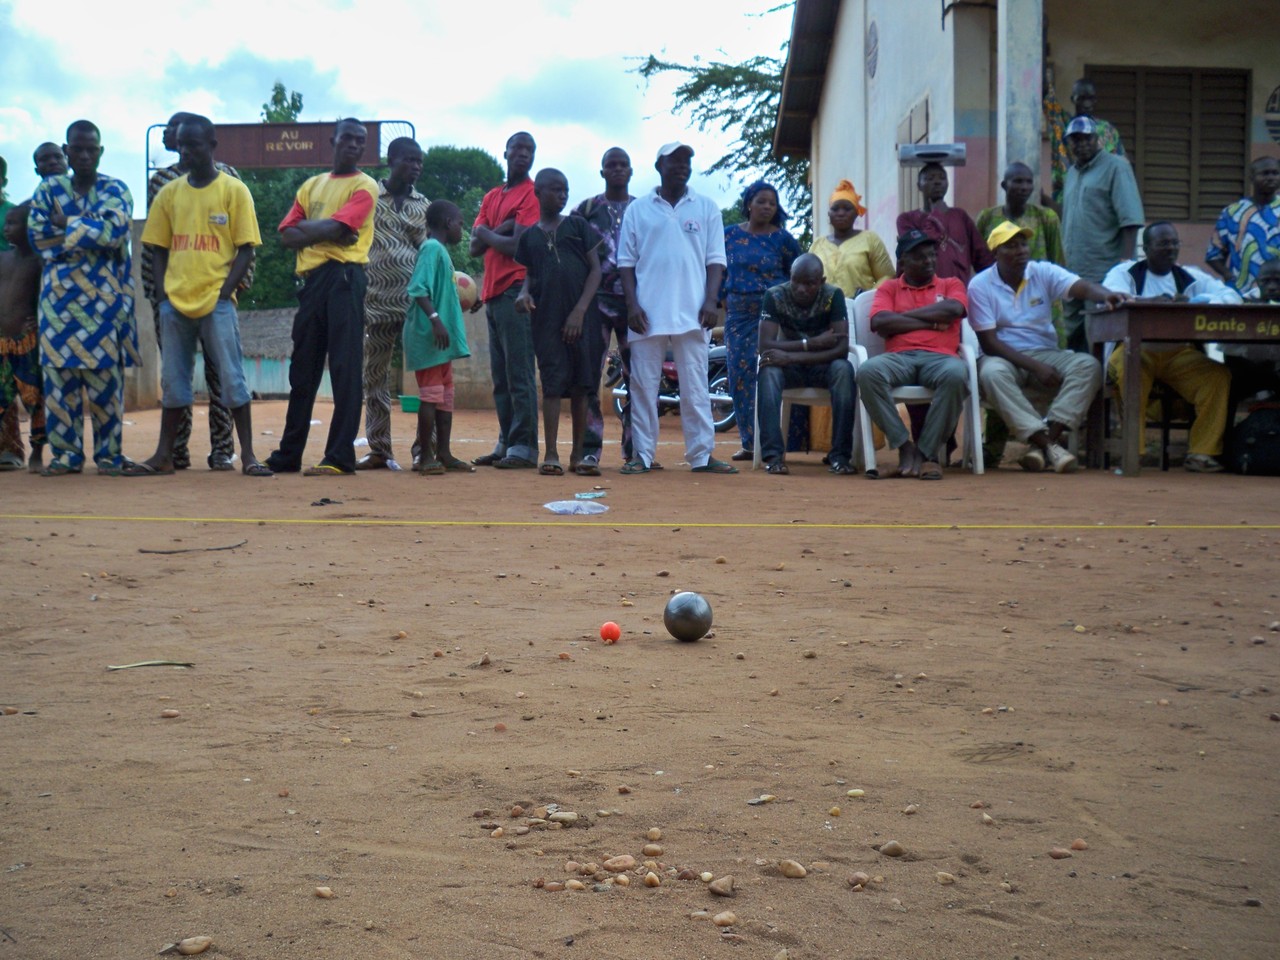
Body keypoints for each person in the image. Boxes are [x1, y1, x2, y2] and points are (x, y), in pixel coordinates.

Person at [125, 115, 269, 478]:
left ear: (212, 146)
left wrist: (226, 291)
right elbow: (157, 248)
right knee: (174, 382)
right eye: (182, 145)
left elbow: (246, 248)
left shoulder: (233, 189)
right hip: (175, 304)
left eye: (194, 145)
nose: (186, 151)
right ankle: (165, 455)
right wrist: (162, 297)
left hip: (216, 302)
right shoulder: (168, 192)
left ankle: (248, 455)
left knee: (232, 378)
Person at [265, 118, 378, 477]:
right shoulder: (310, 186)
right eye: (348, 138)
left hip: (345, 277)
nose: (354, 145)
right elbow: (286, 235)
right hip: (312, 282)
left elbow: (335, 227)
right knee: (303, 370)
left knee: (345, 368)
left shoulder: (365, 186)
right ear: (333, 141)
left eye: (360, 141)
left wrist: (315, 230)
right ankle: (289, 455)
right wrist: (330, 231)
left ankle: (339, 456)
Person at [967, 221, 1123, 473]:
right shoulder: (980, 285)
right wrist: (1036, 367)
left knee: (1089, 366)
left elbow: (1082, 286)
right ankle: (1050, 445)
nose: (1021, 251)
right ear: (995, 253)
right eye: (1011, 246)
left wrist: (1106, 295)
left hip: (1045, 352)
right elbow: (990, 343)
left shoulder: (1042, 272)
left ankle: (1042, 445)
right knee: (991, 374)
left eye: (1023, 244)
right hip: (1003, 356)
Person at [28, 120, 138, 476]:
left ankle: (109, 457)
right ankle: (66, 457)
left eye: (92, 149)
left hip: (105, 307)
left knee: (106, 386)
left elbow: (116, 232)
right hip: (58, 307)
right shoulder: (49, 189)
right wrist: (91, 228)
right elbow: (39, 238)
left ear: (101, 151)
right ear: (67, 151)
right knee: (59, 387)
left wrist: (67, 223)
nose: (86, 155)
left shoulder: (116, 189)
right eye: (78, 149)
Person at [617, 141, 733, 475]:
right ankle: (642, 455)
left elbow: (716, 260)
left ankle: (701, 456)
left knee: (696, 386)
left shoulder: (706, 207)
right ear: (659, 166)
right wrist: (632, 305)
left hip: (693, 312)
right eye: (675, 160)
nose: (682, 166)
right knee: (643, 387)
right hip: (646, 313)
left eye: (687, 161)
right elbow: (626, 263)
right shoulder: (638, 209)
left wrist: (711, 301)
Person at [1101, 221, 1238, 473]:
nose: (1171, 248)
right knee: (1130, 370)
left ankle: (1202, 453)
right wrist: (1152, 302)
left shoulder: (1190, 276)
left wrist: (1198, 301)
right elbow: (1113, 297)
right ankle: (1134, 453)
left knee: (1217, 377)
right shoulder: (1125, 272)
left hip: (1178, 354)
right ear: (1146, 248)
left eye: (1175, 243)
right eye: (1163, 243)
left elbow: (1232, 297)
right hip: (1136, 350)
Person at [857, 230, 969, 480]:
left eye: (931, 255)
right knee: (867, 372)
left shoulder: (951, 284)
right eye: (920, 257)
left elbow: (954, 309)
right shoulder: (889, 288)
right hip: (900, 358)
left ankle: (925, 452)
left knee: (956, 374)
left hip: (941, 358)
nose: (929, 261)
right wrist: (933, 321)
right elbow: (880, 322)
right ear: (903, 262)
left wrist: (901, 318)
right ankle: (904, 446)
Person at [514, 169, 602, 476]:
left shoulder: (578, 226)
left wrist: (579, 311)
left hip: (583, 319)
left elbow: (595, 270)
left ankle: (578, 454)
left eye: (565, 190)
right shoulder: (529, 237)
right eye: (555, 190)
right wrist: (523, 293)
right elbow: (531, 274)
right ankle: (550, 453)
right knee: (551, 385)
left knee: (581, 386)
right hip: (547, 319)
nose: (562, 195)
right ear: (538, 193)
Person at [470, 132, 540, 470]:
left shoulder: (532, 194)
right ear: (506, 153)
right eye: (518, 148)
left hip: (516, 290)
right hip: (492, 293)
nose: (523, 154)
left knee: (519, 373)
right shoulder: (491, 196)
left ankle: (524, 447)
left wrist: (487, 232)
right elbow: (473, 246)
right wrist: (501, 228)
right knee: (501, 377)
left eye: (530, 150)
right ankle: (506, 442)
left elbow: (518, 247)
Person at [358, 137, 428, 471]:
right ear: (391, 160)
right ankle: (379, 450)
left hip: (416, 305)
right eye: (409, 160)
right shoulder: (368, 196)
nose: (415, 166)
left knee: (427, 379)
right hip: (374, 303)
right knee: (374, 377)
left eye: (419, 161)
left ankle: (424, 449)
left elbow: (430, 253)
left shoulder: (424, 205)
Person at [721, 180, 802, 460]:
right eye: (762, 201)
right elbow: (717, 269)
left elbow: (799, 274)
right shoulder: (729, 235)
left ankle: (778, 442)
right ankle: (750, 443)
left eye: (772, 203)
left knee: (773, 372)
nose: (768, 207)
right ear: (748, 204)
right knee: (740, 376)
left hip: (775, 316)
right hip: (738, 316)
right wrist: (720, 298)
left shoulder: (783, 239)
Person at [756, 254, 855, 475]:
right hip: (792, 369)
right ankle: (773, 456)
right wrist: (811, 344)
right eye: (796, 281)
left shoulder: (833, 296)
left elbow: (840, 350)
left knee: (843, 370)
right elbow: (765, 346)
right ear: (790, 277)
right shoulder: (775, 296)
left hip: (821, 367)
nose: (801, 289)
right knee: (768, 370)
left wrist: (791, 356)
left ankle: (840, 457)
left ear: (821, 281)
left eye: (809, 283)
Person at [572, 147, 635, 475]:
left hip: (635, 304)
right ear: (602, 172)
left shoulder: (643, 209)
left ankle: (635, 450)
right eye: (611, 165)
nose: (618, 169)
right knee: (589, 376)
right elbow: (570, 251)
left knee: (638, 378)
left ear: (631, 171)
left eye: (623, 164)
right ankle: (588, 451)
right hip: (595, 303)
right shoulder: (585, 210)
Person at [1060, 116, 1144, 353]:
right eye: (1075, 140)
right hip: (1072, 274)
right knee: (1069, 337)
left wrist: (1125, 265)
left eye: (1086, 138)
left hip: (1102, 274)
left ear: (1097, 139)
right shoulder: (1072, 173)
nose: (1081, 144)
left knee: (1098, 339)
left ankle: (1099, 378)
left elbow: (1130, 220)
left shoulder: (1116, 167)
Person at [403, 200, 471, 475]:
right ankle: (426, 455)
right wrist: (435, 320)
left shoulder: (440, 252)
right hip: (430, 336)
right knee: (431, 396)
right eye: (460, 224)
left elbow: (442, 292)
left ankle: (444, 452)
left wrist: (469, 301)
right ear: (447, 223)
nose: (462, 230)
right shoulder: (431, 248)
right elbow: (418, 289)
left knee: (445, 397)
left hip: (440, 341)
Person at [0, 202, 46, 472]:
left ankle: (37, 451)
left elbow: (44, 295)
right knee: (2, 399)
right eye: (6, 223)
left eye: (13, 223)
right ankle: (7, 449)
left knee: (34, 397)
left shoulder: (38, 262)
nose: (7, 228)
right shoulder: (3, 258)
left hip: (27, 341)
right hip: (1, 341)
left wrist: (38, 319)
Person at [896, 162, 992, 283]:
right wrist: (937, 215)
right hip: (922, 290)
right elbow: (919, 249)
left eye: (942, 178)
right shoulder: (906, 219)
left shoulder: (960, 216)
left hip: (958, 290)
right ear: (919, 185)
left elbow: (982, 257)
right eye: (930, 178)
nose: (937, 182)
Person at [1044, 77, 1127, 205]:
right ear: (1073, 99)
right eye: (1082, 99)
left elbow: (1121, 169)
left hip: (1098, 202)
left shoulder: (1108, 131)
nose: (1087, 104)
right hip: (1066, 202)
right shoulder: (1062, 124)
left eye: (1091, 99)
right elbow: (1046, 97)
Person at [1205, 155, 1279, 298]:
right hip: (1241, 294)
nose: (1271, 178)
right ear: (1251, 177)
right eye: (1265, 173)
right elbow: (1213, 255)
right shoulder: (1232, 213)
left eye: (1275, 173)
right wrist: (1228, 275)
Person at [808, 179, 894, 297]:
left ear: (856, 213)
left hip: (859, 306)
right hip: (824, 307)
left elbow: (887, 276)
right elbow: (807, 278)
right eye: (835, 209)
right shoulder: (817, 245)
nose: (841, 213)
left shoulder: (870, 239)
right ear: (829, 213)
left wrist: (867, 297)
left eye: (847, 209)